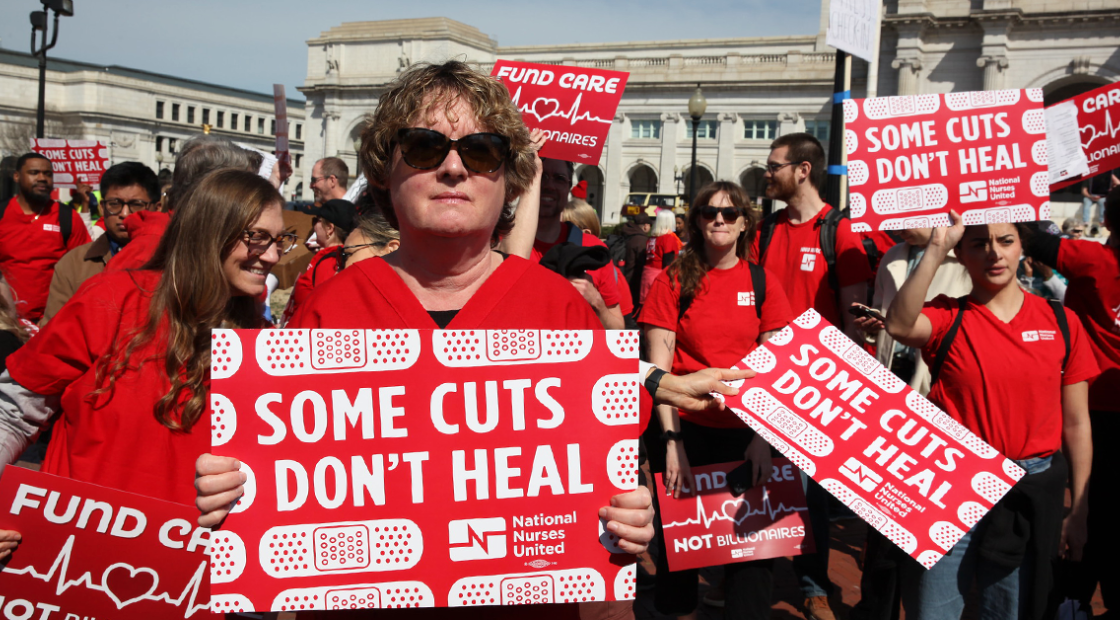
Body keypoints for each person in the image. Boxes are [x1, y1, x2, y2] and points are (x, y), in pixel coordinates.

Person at [193, 60, 654, 620]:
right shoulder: (330, 309)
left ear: (509, 178)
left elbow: (605, 479)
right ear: (384, 173)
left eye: (481, 151)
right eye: (424, 147)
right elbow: (281, 492)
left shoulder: (559, 310)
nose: (454, 168)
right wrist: (235, 488)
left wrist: (630, 516)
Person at [0, 169, 284, 564]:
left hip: (183, 572)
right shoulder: (111, 300)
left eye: (279, 241)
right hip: (72, 561)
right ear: (209, 232)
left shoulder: (264, 346)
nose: (272, 256)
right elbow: (13, 412)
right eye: (256, 237)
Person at [885, 213, 1096, 620]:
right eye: (979, 244)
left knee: (1008, 611)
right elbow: (898, 324)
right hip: (952, 486)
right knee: (933, 611)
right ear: (962, 255)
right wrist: (936, 246)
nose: (994, 253)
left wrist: (1080, 509)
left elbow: (1077, 424)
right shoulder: (948, 316)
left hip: (1028, 490)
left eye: (1005, 240)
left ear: (1022, 247)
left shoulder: (1061, 321)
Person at [639, 181, 792, 620]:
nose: (719, 220)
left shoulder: (763, 283)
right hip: (687, 431)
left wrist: (763, 440)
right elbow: (660, 375)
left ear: (745, 223)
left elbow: (774, 371)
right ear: (696, 221)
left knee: (754, 556)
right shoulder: (673, 280)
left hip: (748, 434)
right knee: (679, 547)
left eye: (729, 213)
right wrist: (673, 445)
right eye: (709, 212)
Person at [751, 132, 872, 620]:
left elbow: (854, 319)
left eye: (774, 166)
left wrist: (846, 387)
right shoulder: (764, 230)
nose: (767, 174)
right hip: (764, 376)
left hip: (817, 384)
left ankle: (814, 586)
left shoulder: (838, 231)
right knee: (759, 481)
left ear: (803, 170)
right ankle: (749, 580)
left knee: (811, 494)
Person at [848, 226, 970, 620]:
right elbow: (885, 314)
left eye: (908, 215)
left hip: (938, 393)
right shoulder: (892, 256)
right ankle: (876, 606)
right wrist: (872, 327)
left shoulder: (964, 257)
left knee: (931, 511)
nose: (898, 224)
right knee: (882, 511)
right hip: (890, 390)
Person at [1023, 190, 1120, 616]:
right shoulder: (1091, 258)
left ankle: (1070, 598)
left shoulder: (1093, 259)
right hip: (1095, 407)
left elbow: (1033, 239)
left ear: (1109, 220)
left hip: (1090, 408)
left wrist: (1008, 190)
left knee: (1087, 510)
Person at [108, 135, 259, 273]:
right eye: (243, 194)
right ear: (211, 194)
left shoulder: (207, 244)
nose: (252, 205)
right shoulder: (143, 259)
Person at [42, 162, 160, 322]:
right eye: (114, 204)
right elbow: (54, 329)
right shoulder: (73, 264)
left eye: (137, 205)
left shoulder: (177, 262)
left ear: (157, 208)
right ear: (102, 207)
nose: (125, 214)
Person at [529, 157, 625, 329]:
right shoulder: (500, 244)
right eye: (542, 176)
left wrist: (596, 302)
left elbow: (618, 329)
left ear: (568, 188)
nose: (549, 185)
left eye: (559, 178)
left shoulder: (593, 248)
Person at [0, 153, 92, 322]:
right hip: (6, 322)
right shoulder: (2, 214)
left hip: (52, 321)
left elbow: (84, 269)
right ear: (16, 176)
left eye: (48, 174)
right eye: (34, 173)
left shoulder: (68, 218)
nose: (42, 178)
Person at [280, 198, 356, 324]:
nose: (313, 226)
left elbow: (324, 309)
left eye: (316, 220)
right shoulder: (334, 257)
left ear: (329, 228)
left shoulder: (330, 262)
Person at [640, 209, 682, 305]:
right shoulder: (669, 238)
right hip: (660, 276)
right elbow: (669, 263)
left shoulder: (651, 238)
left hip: (647, 275)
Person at [617, 213, 651, 303]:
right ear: (646, 226)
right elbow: (642, 263)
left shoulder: (627, 234)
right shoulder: (642, 240)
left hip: (623, 277)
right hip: (634, 281)